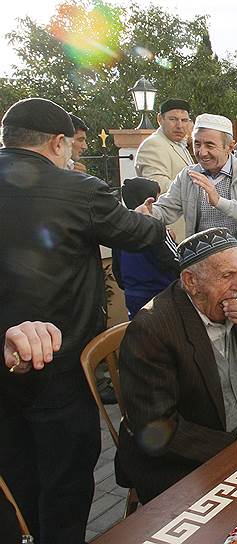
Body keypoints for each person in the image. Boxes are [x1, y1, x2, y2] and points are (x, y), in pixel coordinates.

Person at [0, 98, 165, 544]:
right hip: (60, 368)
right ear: (58, 142)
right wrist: (148, 218)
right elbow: (138, 234)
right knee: (66, 485)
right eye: (70, 146)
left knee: (15, 481)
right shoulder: (79, 189)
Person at [116, 228, 237, 503]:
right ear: (190, 281)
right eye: (227, 275)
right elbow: (157, 428)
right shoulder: (152, 329)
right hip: (186, 459)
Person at [142, 113, 237, 282]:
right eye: (197, 144)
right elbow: (166, 210)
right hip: (204, 272)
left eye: (210, 145)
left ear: (230, 146)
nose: (202, 152)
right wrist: (150, 212)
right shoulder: (187, 176)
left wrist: (220, 202)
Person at [112, 177, 180, 318]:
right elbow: (175, 263)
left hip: (133, 296)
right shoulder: (155, 231)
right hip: (161, 295)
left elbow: (117, 270)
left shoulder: (120, 231)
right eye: (158, 199)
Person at [135, 98, 193, 240]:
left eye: (184, 120)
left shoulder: (178, 144)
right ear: (160, 119)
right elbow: (157, 186)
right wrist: (198, 188)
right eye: (173, 119)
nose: (179, 125)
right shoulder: (154, 145)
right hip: (170, 230)